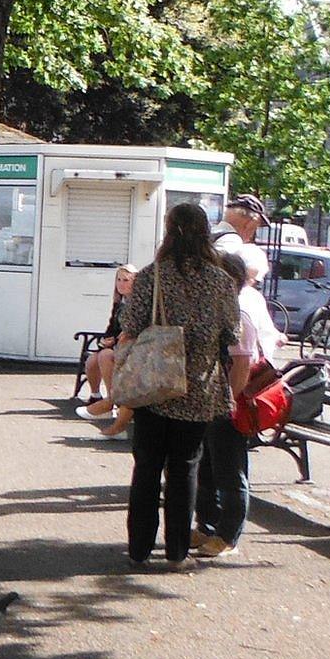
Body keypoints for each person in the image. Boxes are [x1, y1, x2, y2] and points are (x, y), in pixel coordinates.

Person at [120, 200, 241, 569]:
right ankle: (176, 553)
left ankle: (139, 549)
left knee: (147, 468)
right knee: (185, 469)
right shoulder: (221, 281)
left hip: (154, 386)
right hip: (197, 389)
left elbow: (131, 325)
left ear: (169, 231)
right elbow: (231, 332)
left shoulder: (150, 276)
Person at [193, 251, 282, 558]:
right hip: (210, 398)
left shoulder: (238, 313)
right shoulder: (220, 308)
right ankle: (206, 526)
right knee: (206, 466)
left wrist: (227, 404)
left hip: (227, 403)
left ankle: (228, 534)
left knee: (229, 470)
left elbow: (242, 364)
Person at [79, 265, 138, 431]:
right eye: (118, 280)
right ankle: (95, 396)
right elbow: (111, 329)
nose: (121, 284)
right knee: (92, 359)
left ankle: (114, 400)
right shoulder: (119, 303)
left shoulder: (138, 303)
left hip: (131, 349)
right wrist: (105, 341)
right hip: (117, 345)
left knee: (105, 356)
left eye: (125, 280)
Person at [212, 193, 270, 288]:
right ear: (250, 223)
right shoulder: (232, 240)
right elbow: (220, 274)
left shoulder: (212, 232)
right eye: (255, 228)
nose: (251, 236)